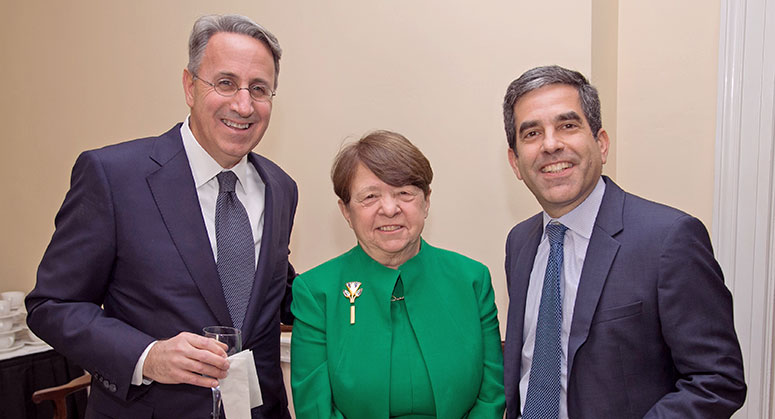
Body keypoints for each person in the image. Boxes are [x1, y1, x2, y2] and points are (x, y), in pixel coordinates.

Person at [25, 14, 297, 418]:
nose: (243, 104)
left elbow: (274, 291)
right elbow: (52, 304)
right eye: (225, 83)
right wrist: (147, 355)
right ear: (189, 86)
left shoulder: (280, 187)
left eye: (259, 89)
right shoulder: (114, 176)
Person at [501, 65, 746, 419]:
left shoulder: (669, 239)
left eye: (567, 125)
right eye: (532, 133)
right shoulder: (519, 243)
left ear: (601, 144)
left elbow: (716, 380)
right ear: (515, 162)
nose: (551, 144)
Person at [290, 130, 505, 418]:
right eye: (370, 197)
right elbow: (315, 409)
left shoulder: (472, 280)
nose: (390, 209)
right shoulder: (316, 292)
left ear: (426, 201)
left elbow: (491, 395)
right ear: (346, 211)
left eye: (404, 193)